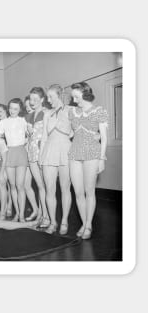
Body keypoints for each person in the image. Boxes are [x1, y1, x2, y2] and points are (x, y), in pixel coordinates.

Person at [68, 82, 108, 239]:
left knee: (89, 191)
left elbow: (104, 138)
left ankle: (89, 225)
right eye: (73, 97)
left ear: (85, 94)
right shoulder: (73, 112)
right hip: (75, 153)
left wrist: (101, 159)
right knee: (78, 192)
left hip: (92, 153)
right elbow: (71, 133)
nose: (74, 100)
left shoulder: (99, 111)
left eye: (76, 97)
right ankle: (84, 223)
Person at [39, 84, 73, 235]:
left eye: (50, 97)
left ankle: (64, 221)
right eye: (47, 97)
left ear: (59, 95)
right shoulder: (47, 113)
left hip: (65, 150)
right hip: (49, 151)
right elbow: (44, 137)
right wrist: (41, 157)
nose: (48, 100)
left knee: (65, 188)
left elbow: (75, 132)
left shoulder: (70, 110)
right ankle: (53, 221)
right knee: (49, 189)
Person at [0, 98, 28, 222]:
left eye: (15, 108)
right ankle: (16, 213)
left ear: (20, 109)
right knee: (12, 185)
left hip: (21, 152)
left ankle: (21, 215)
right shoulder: (3, 123)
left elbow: (29, 136)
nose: (12, 111)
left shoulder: (23, 121)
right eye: (10, 108)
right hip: (9, 152)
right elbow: (0, 140)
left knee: (20, 185)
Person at [25, 87, 50, 227]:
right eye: (31, 99)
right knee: (40, 186)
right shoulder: (28, 116)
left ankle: (47, 217)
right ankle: (42, 214)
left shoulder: (47, 113)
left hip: (43, 153)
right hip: (32, 154)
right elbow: (29, 137)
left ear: (42, 99)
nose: (32, 102)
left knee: (46, 186)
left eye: (36, 99)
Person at [23, 96, 45, 223]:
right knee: (26, 184)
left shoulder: (44, 114)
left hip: (39, 153)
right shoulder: (26, 119)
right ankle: (36, 210)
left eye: (30, 106)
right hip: (27, 154)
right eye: (26, 107)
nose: (29, 109)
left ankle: (42, 213)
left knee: (41, 185)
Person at [0, 103, 13, 217]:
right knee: (2, 182)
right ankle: (3, 209)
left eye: (0, 111)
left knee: (11, 183)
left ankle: (9, 206)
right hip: (2, 155)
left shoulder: (11, 121)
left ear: (6, 110)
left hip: (11, 154)